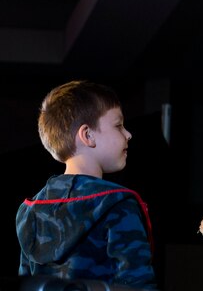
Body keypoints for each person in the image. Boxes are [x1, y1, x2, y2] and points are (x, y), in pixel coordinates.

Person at [16, 80, 156, 289]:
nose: (128, 134)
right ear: (88, 135)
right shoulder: (117, 204)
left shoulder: (30, 210)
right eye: (118, 125)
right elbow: (137, 284)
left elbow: (25, 285)